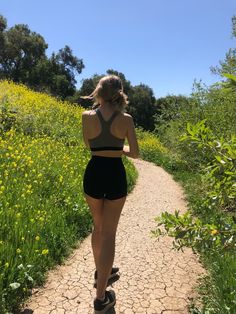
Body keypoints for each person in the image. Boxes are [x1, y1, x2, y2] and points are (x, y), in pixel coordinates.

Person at [81, 75, 139, 314]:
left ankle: (100, 272)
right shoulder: (125, 119)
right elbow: (134, 153)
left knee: (98, 227)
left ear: (98, 91)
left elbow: (89, 145)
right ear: (119, 93)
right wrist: (119, 149)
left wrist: (104, 146)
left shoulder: (87, 117)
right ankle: (101, 298)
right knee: (110, 233)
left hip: (94, 172)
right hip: (115, 174)